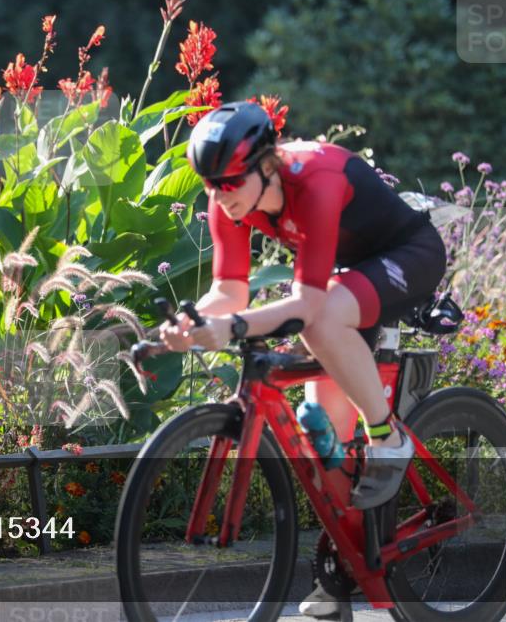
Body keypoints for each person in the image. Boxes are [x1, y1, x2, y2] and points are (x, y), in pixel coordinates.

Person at [160, 101, 447, 618]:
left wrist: (233, 328)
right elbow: (229, 291)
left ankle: (388, 436)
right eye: (208, 184)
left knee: (320, 320)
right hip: (345, 275)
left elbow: (308, 305)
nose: (217, 196)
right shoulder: (229, 201)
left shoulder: (314, 180)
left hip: (408, 254)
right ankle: (344, 572)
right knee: (322, 433)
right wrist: (193, 323)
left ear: (266, 166)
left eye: (227, 182)